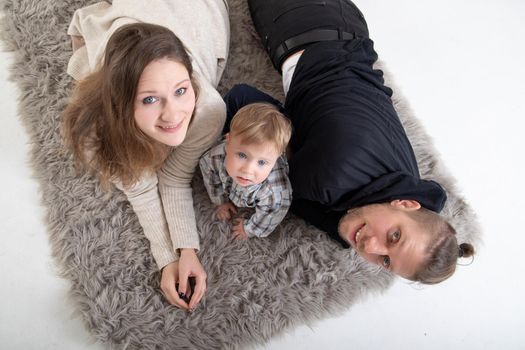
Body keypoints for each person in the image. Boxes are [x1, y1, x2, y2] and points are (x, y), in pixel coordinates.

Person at [223, 0, 474, 284]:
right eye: (394, 236)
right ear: (405, 205)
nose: (369, 247)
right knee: (239, 106)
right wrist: (338, 225)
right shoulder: (331, 176)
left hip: (348, 23)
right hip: (296, 21)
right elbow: (290, 195)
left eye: (386, 261)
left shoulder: (418, 190)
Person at [61, 0, 229, 310]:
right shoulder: (96, 132)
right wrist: (166, 258)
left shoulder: (207, 109)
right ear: (120, 106)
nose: (173, 114)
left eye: (181, 90)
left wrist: (188, 250)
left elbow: (175, 177)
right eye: (150, 99)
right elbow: (139, 186)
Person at [199, 103, 292, 240]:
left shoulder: (274, 191)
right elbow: (209, 173)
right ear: (228, 141)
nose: (248, 170)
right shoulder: (215, 158)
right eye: (242, 155)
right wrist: (220, 200)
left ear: (276, 158)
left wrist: (250, 229)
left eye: (261, 162)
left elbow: (272, 213)